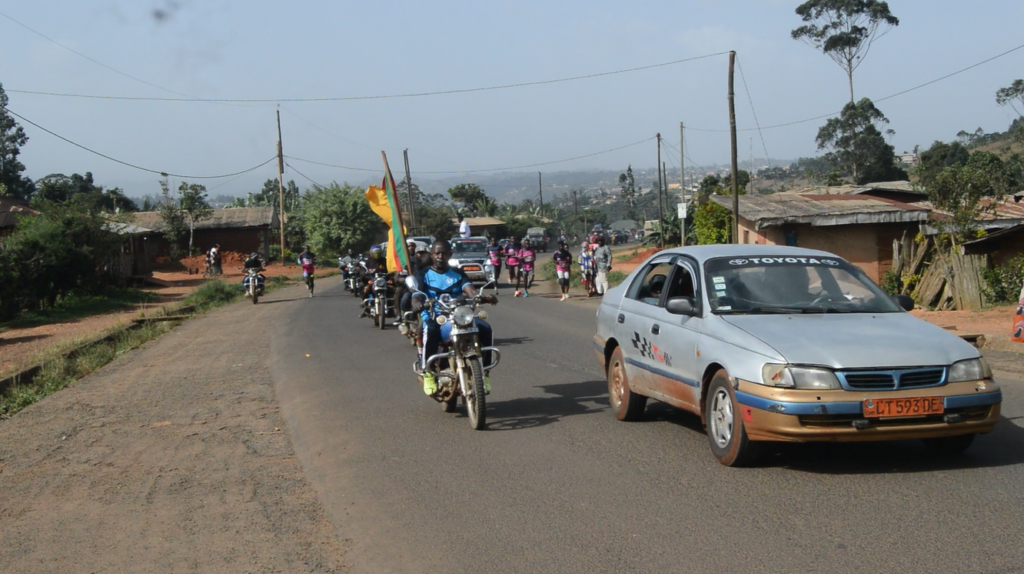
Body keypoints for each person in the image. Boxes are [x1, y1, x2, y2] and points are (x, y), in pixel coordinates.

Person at [411, 240, 497, 396]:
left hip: (459, 315)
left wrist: (482, 297)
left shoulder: (458, 273)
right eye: (437, 253)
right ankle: (428, 373)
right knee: (429, 330)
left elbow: (470, 290)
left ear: (450, 255)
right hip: (435, 316)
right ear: (431, 255)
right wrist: (417, 303)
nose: (440, 256)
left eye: (444, 253)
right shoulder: (423, 274)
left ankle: (484, 373)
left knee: (485, 328)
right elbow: (417, 294)